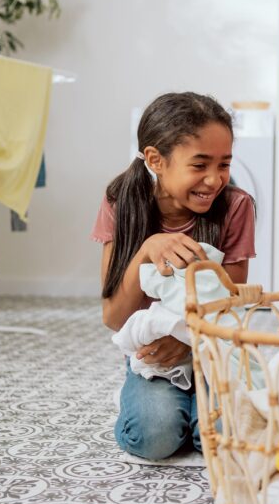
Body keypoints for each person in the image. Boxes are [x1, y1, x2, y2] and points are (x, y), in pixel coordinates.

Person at [92, 92, 255, 461]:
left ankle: (192, 407)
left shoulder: (236, 206)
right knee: (153, 438)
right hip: (152, 355)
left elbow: (229, 305)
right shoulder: (121, 202)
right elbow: (114, 317)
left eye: (224, 164)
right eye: (199, 165)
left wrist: (187, 341)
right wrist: (148, 248)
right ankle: (159, 401)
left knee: (227, 440)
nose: (214, 180)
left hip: (215, 346)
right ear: (155, 160)